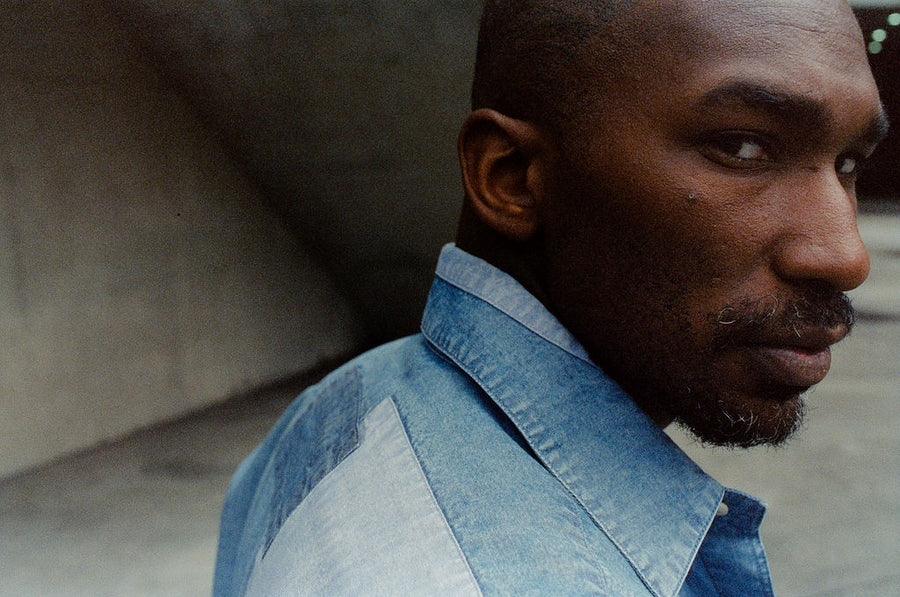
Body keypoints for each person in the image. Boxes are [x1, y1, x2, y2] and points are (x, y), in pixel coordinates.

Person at [214, 0, 889, 594]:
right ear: (510, 178)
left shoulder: (339, 408)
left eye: (849, 162)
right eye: (743, 146)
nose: (845, 255)